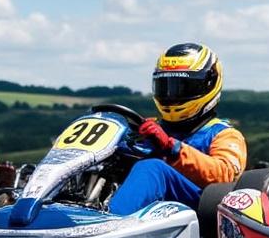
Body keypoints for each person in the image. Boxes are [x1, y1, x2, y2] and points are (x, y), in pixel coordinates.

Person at [106, 43, 248, 215]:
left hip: (199, 208)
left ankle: (109, 220)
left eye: (183, 87)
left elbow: (225, 176)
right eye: (166, 87)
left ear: (208, 85)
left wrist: (172, 148)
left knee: (152, 168)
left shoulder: (224, 134)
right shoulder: (151, 128)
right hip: (152, 210)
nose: (172, 96)